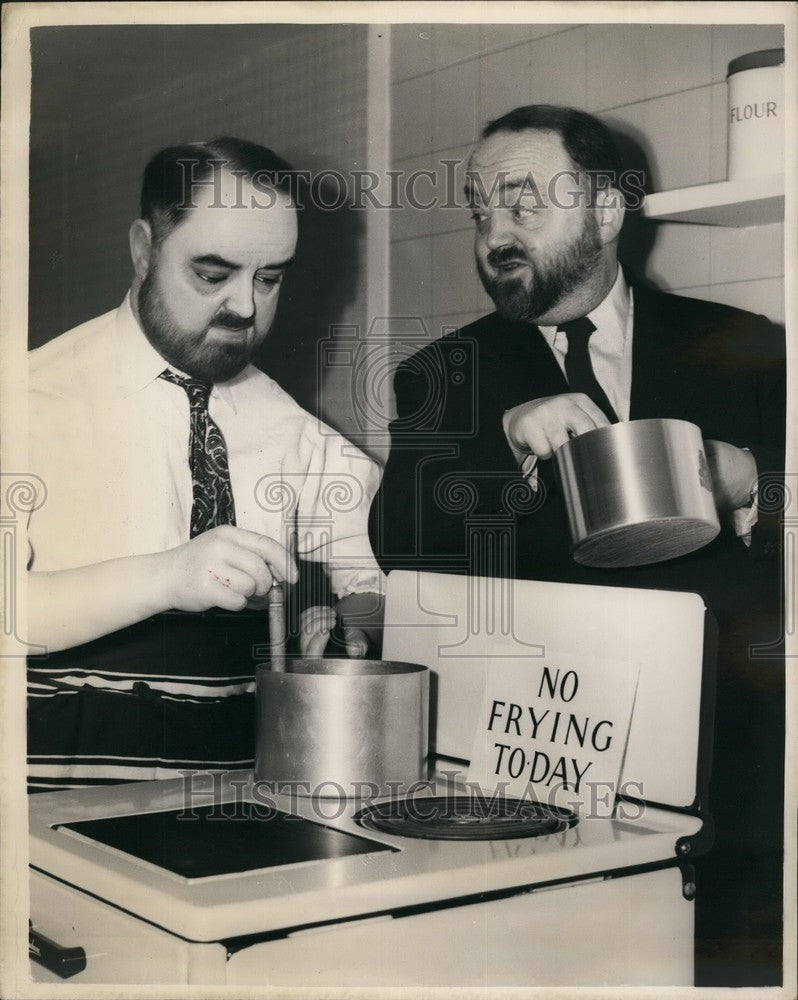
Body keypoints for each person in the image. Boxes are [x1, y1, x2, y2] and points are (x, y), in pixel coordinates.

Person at [369, 106, 785, 985]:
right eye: (481, 210)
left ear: (606, 212)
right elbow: (399, 542)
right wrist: (503, 442)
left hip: (733, 784)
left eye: (522, 203)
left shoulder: (752, 350)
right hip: (537, 774)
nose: (493, 235)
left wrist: (754, 482)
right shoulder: (447, 376)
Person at [27, 137, 384, 792]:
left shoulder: (288, 427)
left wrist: (348, 626)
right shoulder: (26, 402)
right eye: (213, 275)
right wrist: (168, 576)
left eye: (270, 278)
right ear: (143, 250)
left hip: (230, 818)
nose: (245, 307)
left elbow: (381, 564)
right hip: (48, 825)